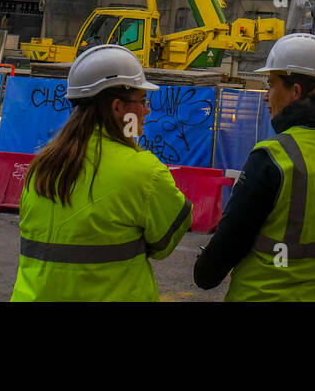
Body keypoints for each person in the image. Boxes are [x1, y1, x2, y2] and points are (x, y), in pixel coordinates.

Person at [193, 33, 315, 301]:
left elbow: (226, 247)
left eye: (271, 85)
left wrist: (204, 270)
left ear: (296, 91)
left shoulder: (274, 157)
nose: (266, 97)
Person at [11, 45, 192, 302]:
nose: (147, 111)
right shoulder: (144, 171)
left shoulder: (42, 166)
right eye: (142, 101)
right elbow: (164, 244)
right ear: (118, 107)